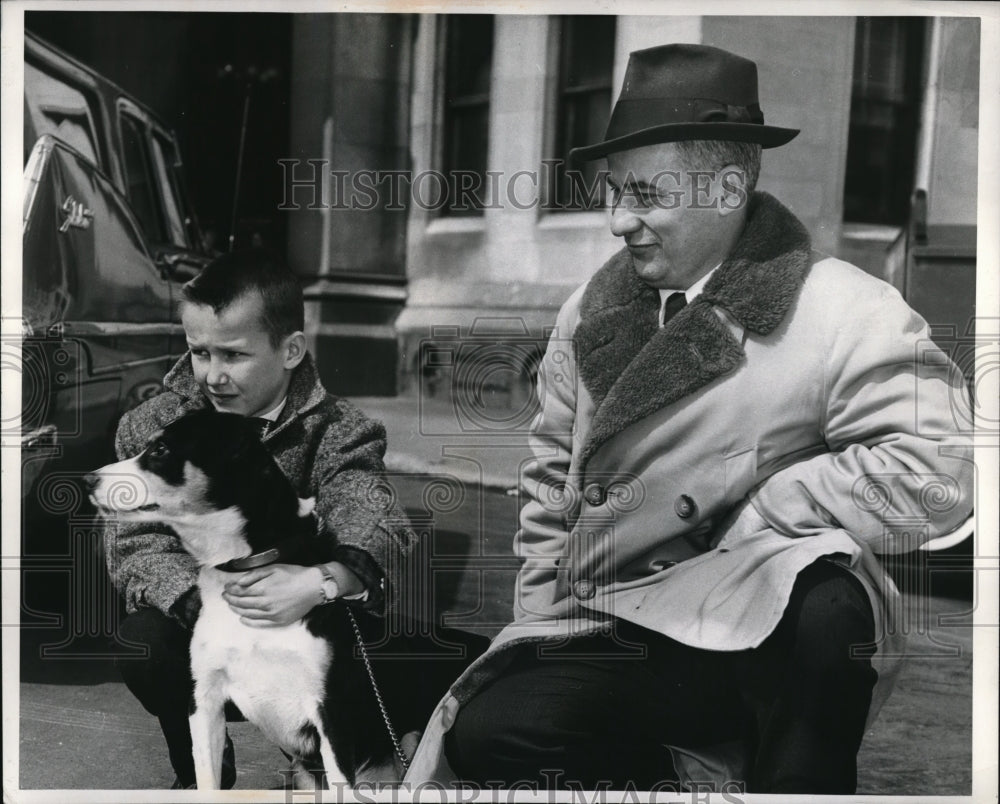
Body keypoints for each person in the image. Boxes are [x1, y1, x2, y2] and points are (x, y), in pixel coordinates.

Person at [403, 44, 974, 794]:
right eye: (612, 193)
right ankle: (685, 781)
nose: (617, 221)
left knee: (835, 610)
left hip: (767, 628)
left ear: (729, 186)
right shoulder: (589, 311)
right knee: (489, 733)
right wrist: (532, 632)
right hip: (628, 622)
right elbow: (550, 489)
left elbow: (942, 467)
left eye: (644, 194)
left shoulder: (844, 308)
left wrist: (778, 504)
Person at [103, 249, 417, 788]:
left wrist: (325, 580)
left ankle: (338, 764)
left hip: (307, 623)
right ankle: (201, 771)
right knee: (143, 642)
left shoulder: (339, 429)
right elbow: (137, 546)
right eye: (199, 352)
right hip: (207, 625)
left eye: (234, 355)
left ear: (291, 349)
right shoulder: (154, 426)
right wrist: (215, 604)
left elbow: (370, 509)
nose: (214, 376)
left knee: (399, 657)